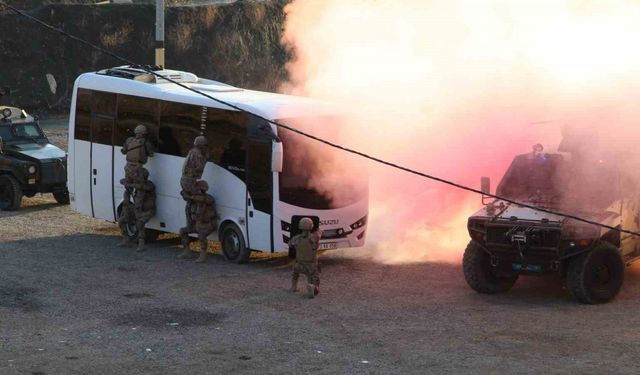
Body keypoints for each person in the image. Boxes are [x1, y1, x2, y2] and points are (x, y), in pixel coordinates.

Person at [178, 180, 218, 263]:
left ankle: (203, 255)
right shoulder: (194, 199)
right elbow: (184, 195)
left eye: (198, 189)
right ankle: (186, 251)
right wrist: (186, 191)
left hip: (209, 224)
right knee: (183, 231)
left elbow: (203, 199)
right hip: (198, 225)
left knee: (201, 234)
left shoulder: (208, 198)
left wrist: (191, 196)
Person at [181, 135, 209, 229]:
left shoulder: (192, 151)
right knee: (201, 198)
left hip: (186, 180)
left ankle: (191, 221)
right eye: (205, 145)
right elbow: (200, 167)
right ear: (201, 145)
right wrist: (206, 158)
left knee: (191, 201)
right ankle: (197, 221)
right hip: (190, 181)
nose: (205, 147)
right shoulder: (197, 154)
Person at [289, 217, 321, 298]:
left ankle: (293, 287)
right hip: (310, 266)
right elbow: (319, 233)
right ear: (311, 226)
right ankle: (313, 288)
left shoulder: (296, 238)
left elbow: (290, 244)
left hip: (299, 264)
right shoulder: (314, 238)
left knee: (294, 274)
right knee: (314, 278)